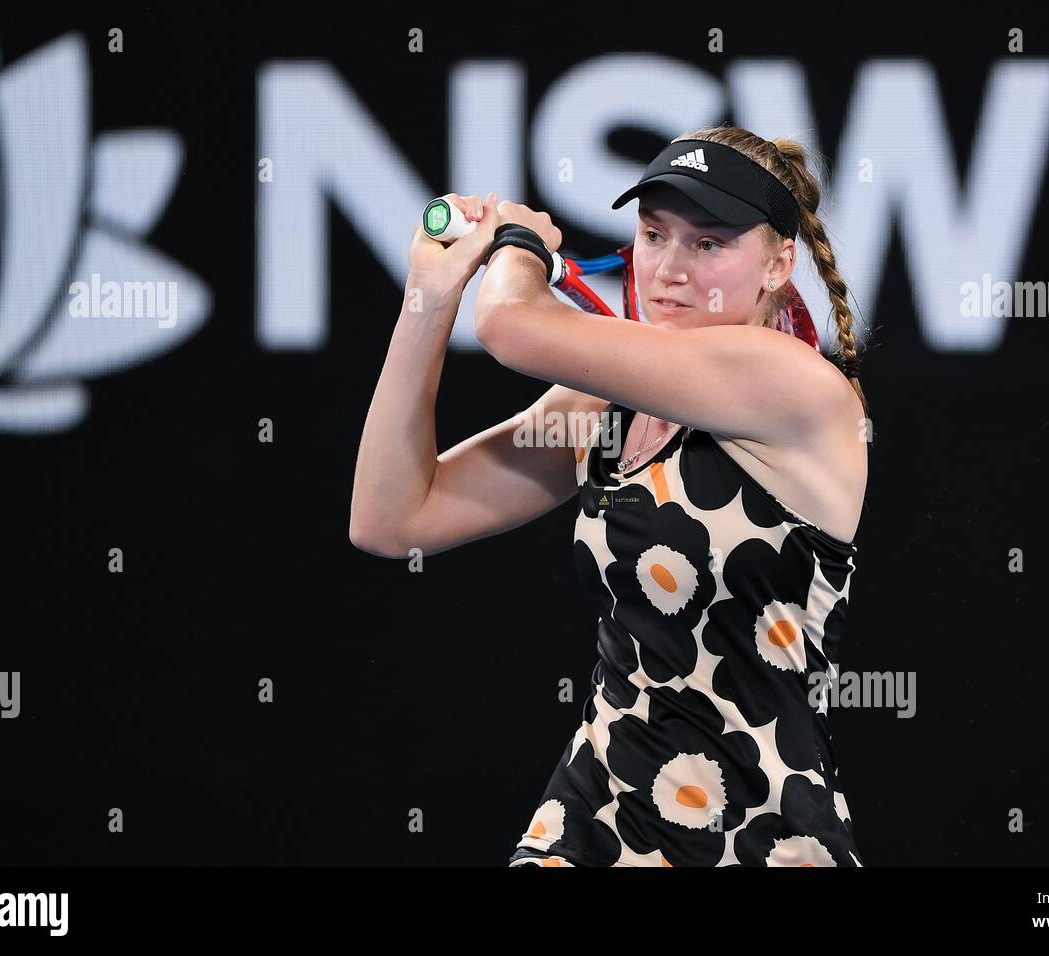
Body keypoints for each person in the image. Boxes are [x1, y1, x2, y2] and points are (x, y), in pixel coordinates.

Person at [350, 124, 870, 866]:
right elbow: (392, 516)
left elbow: (508, 324)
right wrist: (428, 300)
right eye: (655, 234)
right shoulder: (603, 409)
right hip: (593, 821)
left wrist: (517, 245)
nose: (670, 269)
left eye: (710, 244)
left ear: (778, 263)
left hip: (759, 838)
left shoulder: (793, 385)